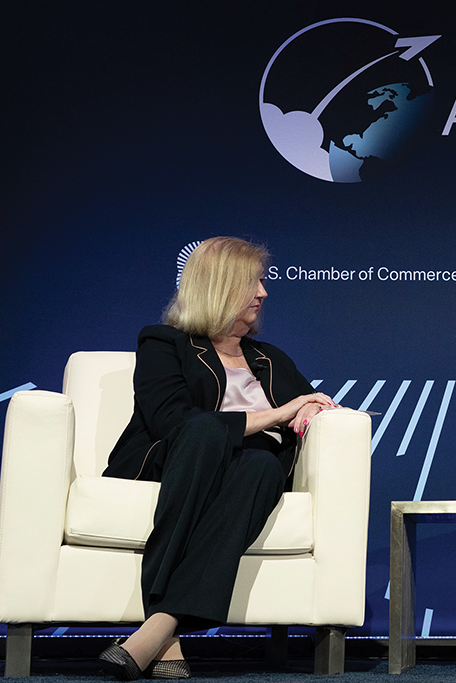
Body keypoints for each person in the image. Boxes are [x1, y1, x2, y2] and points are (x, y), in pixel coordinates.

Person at [98, 237, 337, 680]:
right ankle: (166, 635)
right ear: (220, 287)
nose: (264, 293)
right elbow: (173, 421)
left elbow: (311, 403)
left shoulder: (270, 358)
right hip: (173, 461)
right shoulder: (163, 343)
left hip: (245, 476)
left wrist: (307, 409)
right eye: (254, 283)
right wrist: (277, 412)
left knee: (263, 463)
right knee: (207, 429)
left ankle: (159, 630)